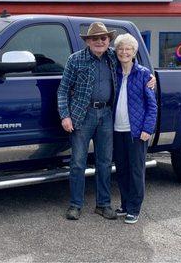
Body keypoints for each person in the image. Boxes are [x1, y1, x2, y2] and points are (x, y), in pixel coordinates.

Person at [57, 22, 120, 220]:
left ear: (109, 40)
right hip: (81, 116)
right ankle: (75, 205)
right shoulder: (75, 60)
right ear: (88, 41)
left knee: (105, 162)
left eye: (103, 38)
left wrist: (149, 78)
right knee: (77, 163)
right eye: (95, 38)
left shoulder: (114, 57)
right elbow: (63, 90)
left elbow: (132, 67)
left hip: (107, 115)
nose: (100, 41)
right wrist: (65, 116)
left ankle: (103, 204)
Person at [112, 33, 158, 224]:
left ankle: (134, 208)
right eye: (120, 49)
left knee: (136, 170)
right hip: (116, 130)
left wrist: (148, 128)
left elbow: (152, 106)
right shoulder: (113, 72)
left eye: (128, 49)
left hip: (137, 132)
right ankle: (125, 204)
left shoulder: (144, 74)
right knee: (121, 169)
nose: (124, 52)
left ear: (134, 52)